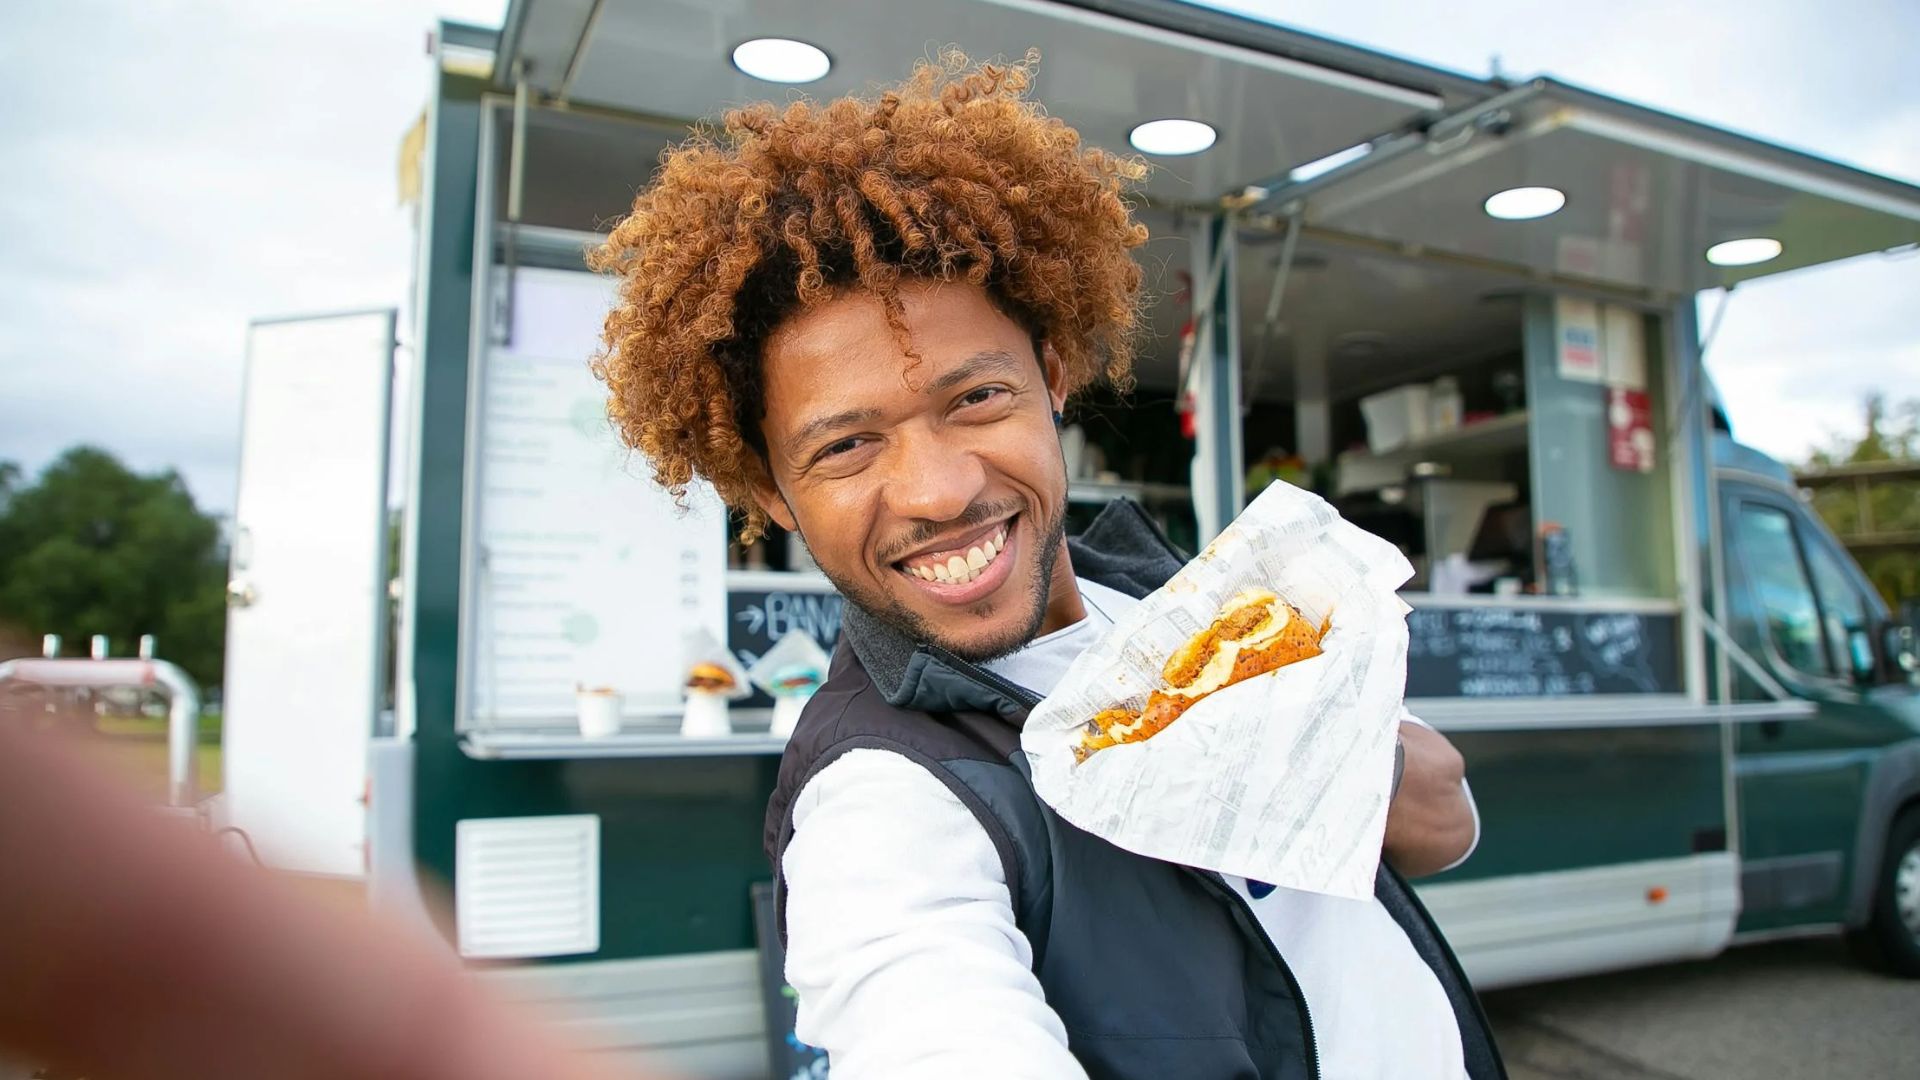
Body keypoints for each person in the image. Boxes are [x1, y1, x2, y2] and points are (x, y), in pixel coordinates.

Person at [590, 54, 1501, 1080]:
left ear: (1053, 375)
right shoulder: (883, 795)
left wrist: (1279, 739)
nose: (939, 491)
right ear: (769, 490)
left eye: (976, 399)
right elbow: (925, 1018)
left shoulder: (1176, 600)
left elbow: (1444, 823)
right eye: (846, 446)